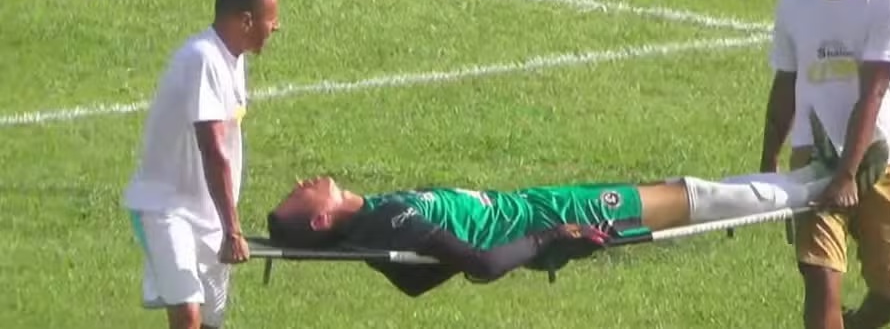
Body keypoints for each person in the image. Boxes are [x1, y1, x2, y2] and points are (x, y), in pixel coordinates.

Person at [265, 167, 836, 297]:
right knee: (691, 201)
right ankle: (820, 183)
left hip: (540, 210)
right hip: (547, 217)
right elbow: (482, 268)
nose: (300, 180)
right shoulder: (386, 222)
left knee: (675, 193)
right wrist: (550, 237)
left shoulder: (373, 222)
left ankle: (804, 180)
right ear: (320, 218)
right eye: (299, 194)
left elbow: (414, 285)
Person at [760, 0, 890, 329]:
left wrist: (848, 173)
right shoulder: (794, 4)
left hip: (878, 159)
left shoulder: (888, 2)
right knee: (821, 279)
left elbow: (874, 93)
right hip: (814, 157)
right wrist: (768, 166)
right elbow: (785, 86)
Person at [123, 0, 281, 329]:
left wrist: (224, 224)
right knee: (188, 315)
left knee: (212, 321)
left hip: (208, 216)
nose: (276, 28)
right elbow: (212, 149)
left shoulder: (232, 58)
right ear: (246, 20)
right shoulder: (203, 59)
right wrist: (234, 229)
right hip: (166, 209)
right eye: (271, 20)